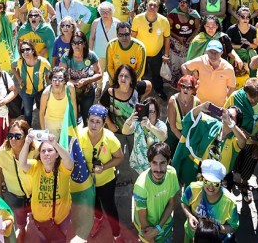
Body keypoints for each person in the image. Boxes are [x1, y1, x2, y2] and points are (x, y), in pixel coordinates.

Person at [78, 104, 124, 240]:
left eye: (98, 122)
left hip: (106, 180)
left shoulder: (110, 139)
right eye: (91, 121)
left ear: (104, 123)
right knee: (94, 204)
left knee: (109, 207)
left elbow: (120, 157)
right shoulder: (79, 135)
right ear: (87, 120)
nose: (94, 125)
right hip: (87, 180)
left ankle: (117, 233)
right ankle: (98, 219)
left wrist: (104, 167)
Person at [18, 131, 74, 243]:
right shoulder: (35, 166)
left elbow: (69, 160)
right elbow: (22, 163)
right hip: (40, 222)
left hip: (61, 220)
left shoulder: (63, 168)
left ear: (57, 154)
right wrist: (26, 143)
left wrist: (55, 144)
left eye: (50, 150)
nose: (46, 153)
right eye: (43, 151)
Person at [0, 119, 34, 242]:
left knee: (37, 216)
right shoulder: (2, 153)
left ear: (26, 136)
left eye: (17, 136)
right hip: (14, 194)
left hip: (34, 193)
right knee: (19, 217)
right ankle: (21, 231)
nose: (13, 139)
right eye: (10, 136)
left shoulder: (36, 149)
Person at [180, 159, 239, 243]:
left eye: (215, 183)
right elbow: (184, 202)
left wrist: (218, 229)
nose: (210, 187)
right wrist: (190, 216)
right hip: (191, 233)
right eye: (207, 181)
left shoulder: (230, 202)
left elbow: (233, 227)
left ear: (221, 183)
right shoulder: (193, 188)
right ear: (202, 178)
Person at [132, 142, 179, 243]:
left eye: (162, 163)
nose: (158, 169)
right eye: (154, 163)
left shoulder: (172, 173)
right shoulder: (141, 186)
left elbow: (171, 204)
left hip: (165, 229)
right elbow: (144, 225)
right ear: (149, 162)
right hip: (149, 234)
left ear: (168, 162)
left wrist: (158, 228)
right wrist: (152, 237)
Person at [182, 39, 236, 109]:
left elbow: (232, 87)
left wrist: (227, 104)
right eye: (211, 52)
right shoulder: (201, 61)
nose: (213, 55)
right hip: (200, 104)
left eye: (216, 52)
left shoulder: (228, 68)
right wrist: (191, 84)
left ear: (221, 53)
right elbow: (184, 66)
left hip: (219, 106)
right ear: (206, 51)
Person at [122, 96, 168, 173]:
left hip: (153, 168)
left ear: (157, 112)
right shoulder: (138, 123)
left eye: (151, 112)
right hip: (137, 165)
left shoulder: (160, 125)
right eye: (147, 111)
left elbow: (163, 137)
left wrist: (150, 126)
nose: (149, 115)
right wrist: (130, 119)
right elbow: (125, 131)